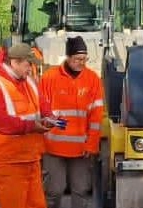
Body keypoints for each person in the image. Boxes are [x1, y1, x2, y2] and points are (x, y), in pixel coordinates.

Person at [0, 42, 58, 208]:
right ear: (14, 62)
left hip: (30, 159)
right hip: (7, 163)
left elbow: (42, 104)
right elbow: (0, 122)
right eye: (27, 65)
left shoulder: (27, 81)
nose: (30, 70)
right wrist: (33, 126)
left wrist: (50, 117)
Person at [40, 36, 105, 208]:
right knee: (54, 190)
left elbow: (96, 116)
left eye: (84, 59)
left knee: (81, 190)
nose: (81, 63)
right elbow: (41, 110)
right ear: (67, 57)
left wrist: (91, 144)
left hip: (81, 149)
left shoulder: (93, 79)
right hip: (53, 147)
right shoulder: (49, 78)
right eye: (77, 59)